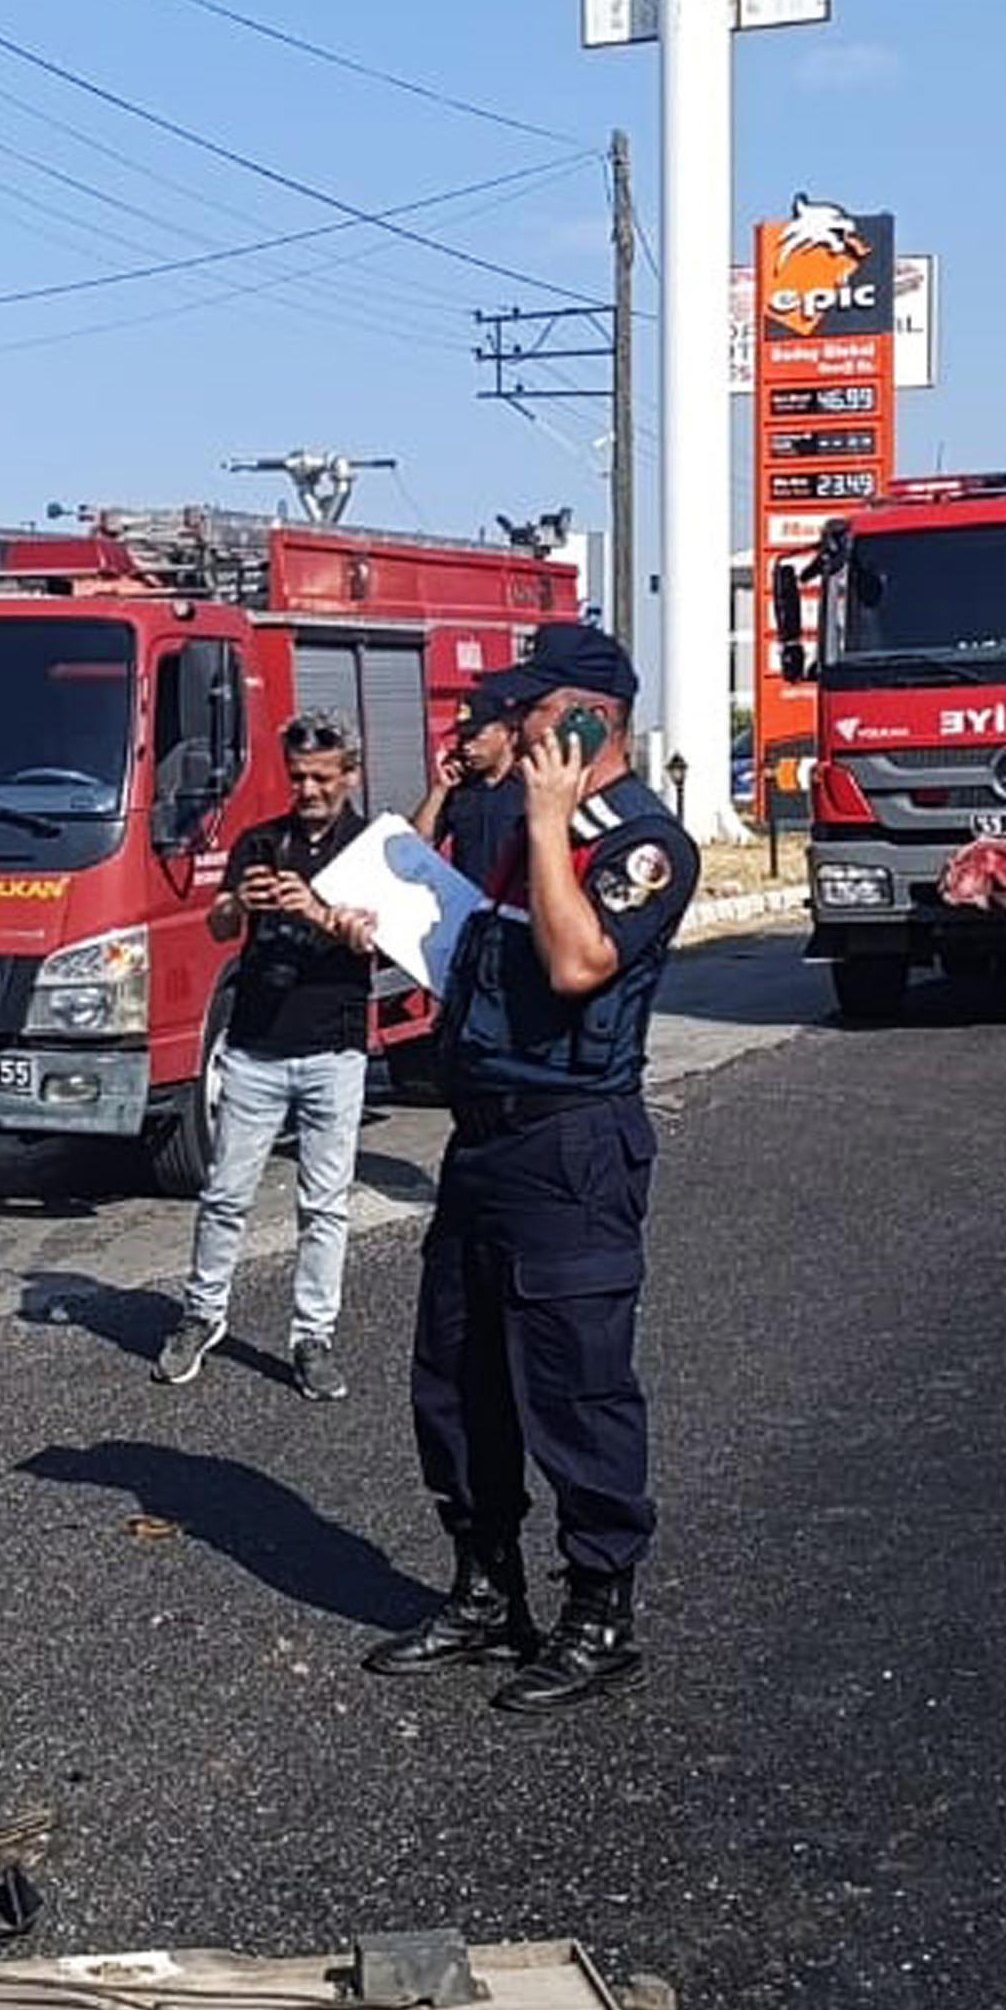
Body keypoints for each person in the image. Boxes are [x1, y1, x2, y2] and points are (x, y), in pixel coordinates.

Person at [364, 624, 699, 1716]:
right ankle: (486, 1587)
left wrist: (551, 823)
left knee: (574, 1383)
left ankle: (598, 1609)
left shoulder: (643, 844)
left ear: (593, 716)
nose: (511, 725)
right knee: (456, 1376)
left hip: (571, 1146)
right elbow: (481, 957)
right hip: (486, 1142)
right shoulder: (516, 826)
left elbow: (575, 960)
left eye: (535, 708)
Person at [152, 711, 378, 1403]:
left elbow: (382, 945)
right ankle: (202, 1313)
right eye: (298, 776)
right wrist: (235, 904)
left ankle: (313, 1336)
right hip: (254, 1047)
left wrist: (317, 912)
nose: (308, 789)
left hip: (334, 1048)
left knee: (324, 1204)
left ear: (349, 774)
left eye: (322, 777)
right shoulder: (259, 841)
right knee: (224, 1194)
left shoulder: (372, 846)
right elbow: (221, 925)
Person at [411, 690, 526, 895]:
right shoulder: (459, 789)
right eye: (463, 738)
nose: (466, 747)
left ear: (507, 733)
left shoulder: (529, 788)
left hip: (515, 913)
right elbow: (417, 845)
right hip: (469, 911)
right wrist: (440, 789)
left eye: (475, 736)